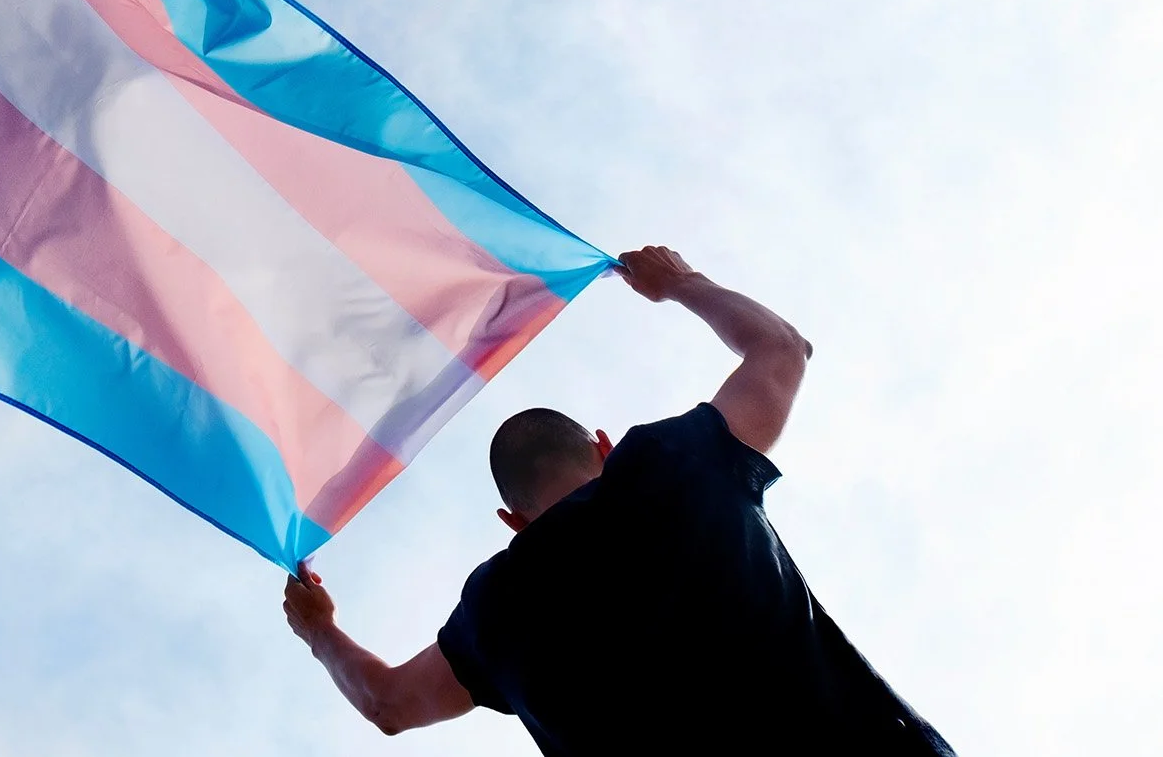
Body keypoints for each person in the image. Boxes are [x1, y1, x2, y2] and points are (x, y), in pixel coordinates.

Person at [282, 246, 955, 755]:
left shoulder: (492, 610)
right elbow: (781, 349)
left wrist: (319, 629)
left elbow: (387, 702)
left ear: (511, 521)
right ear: (604, 447)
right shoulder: (670, 463)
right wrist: (680, 282)